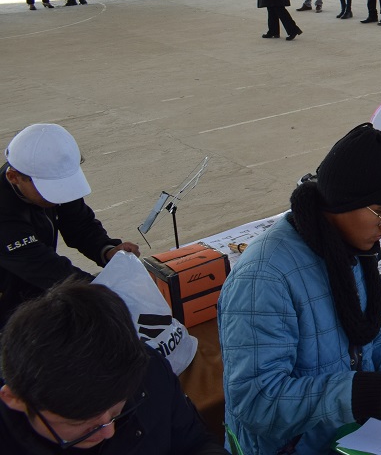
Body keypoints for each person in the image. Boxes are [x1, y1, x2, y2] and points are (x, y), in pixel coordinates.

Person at [220, 124, 381, 455]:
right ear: (342, 203)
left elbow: (368, 332)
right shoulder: (263, 279)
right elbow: (256, 402)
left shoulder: (351, 250)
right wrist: (365, 394)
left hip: (350, 439)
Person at [0, 282, 225, 454]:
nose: (108, 431)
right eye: (80, 424)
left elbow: (193, 442)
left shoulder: (147, 369)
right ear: (14, 399)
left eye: (118, 413)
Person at [1, 123, 141, 326]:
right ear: (14, 177)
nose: (58, 198)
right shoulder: (4, 214)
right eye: (50, 190)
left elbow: (79, 223)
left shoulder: (51, 177)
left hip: (37, 289)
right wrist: (101, 293)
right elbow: (45, 268)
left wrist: (107, 250)